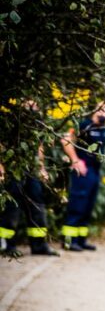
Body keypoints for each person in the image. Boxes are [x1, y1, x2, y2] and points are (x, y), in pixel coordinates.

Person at [0, 100, 59, 257]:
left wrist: (41, 168)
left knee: (37, 206)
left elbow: (39, 146)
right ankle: (7, 245)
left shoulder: (37, 120)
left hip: (31, 169)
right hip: (13, 167)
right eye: (29, 101)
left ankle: (39, 245)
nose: (33, 104)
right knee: (11, 207)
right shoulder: (11, 118)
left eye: (35, 102)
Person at [60, 102, 105, 251]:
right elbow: (65, 140)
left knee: (88, 206)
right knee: (77, 205)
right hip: (82, 171)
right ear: (96, 110)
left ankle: (81, 240)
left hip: (95, 171)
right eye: (104, 112)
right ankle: (69, 241)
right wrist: (75, 160)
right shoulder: (83, 125)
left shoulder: (103, 128)